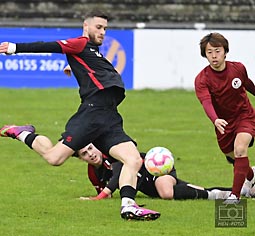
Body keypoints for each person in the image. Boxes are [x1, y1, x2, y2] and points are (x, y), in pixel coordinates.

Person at [0, 10, 160, 221]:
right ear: (86, 26)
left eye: (105, 29)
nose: (102, 32)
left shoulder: (92, 52)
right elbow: (51, 46)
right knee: (54, 158)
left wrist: (73, 67)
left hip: (110, 116)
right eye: (99, 27)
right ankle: (21, 133)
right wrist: (15, 48)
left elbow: (91, 70)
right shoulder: (81, 43)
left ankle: (128, 206)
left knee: (133, 159)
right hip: (92, 114)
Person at [194, 32, 255, 204]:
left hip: (245, 116)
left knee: (240, 148)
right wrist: (215, 119)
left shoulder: (238, 68)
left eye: (217, 51)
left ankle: (234, 196)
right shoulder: (202, 79)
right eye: (209, 52)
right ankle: (251, 176)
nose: (214, 56)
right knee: (235, 157)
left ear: (225, 51)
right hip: (223, 123)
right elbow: (206, 102)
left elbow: (247, 84)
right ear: (205, 54)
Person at [76, 143, 232, 201]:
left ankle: (213, 196)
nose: (90, 154)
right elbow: (107, 192)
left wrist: (99, 197)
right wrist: (101, 196)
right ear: (81, 159)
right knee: (186, 189)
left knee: (166, 193)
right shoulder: (93, 173)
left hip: (155, 167)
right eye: (84, 153)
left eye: (90, 148)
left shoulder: (111, 154)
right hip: (147, 186)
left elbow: (118, 175)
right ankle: (237, 191)